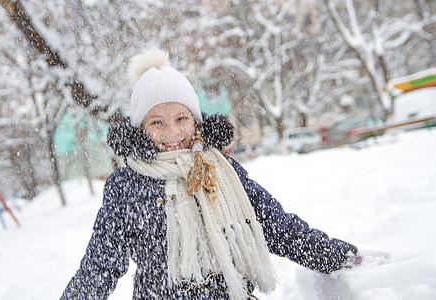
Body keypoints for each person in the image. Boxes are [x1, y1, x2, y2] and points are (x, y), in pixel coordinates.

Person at [61, 48, 360, 300]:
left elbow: (273, 224)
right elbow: (101, 264)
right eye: (157, 123)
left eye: (181, 118)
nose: (173, 133)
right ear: (140, 128)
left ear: (196, 120)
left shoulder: (221, 170)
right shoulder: (126, 186)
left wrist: (331, 254)